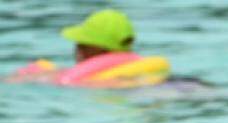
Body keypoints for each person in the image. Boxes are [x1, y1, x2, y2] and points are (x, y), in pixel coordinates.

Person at [5, 9, 198, 89]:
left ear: (90, 49)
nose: (76, 51)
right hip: (176, 85)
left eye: (80, 44)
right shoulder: (146, 69)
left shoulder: (74, 78)